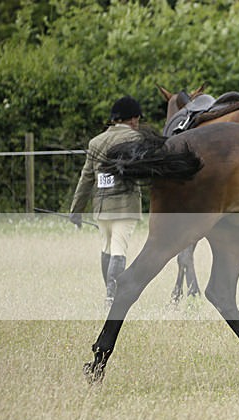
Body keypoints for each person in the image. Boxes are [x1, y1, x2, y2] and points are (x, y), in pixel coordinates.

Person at [70, 95, 144, 309]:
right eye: (137, 119)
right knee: (119, 250)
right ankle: (112, 298)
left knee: (107, 248)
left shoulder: (96, 142)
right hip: (125, 205)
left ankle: (108, 294)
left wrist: (76, 210)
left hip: (102, 206)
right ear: (132, 119)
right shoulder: (136, 138)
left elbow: (86, 178)